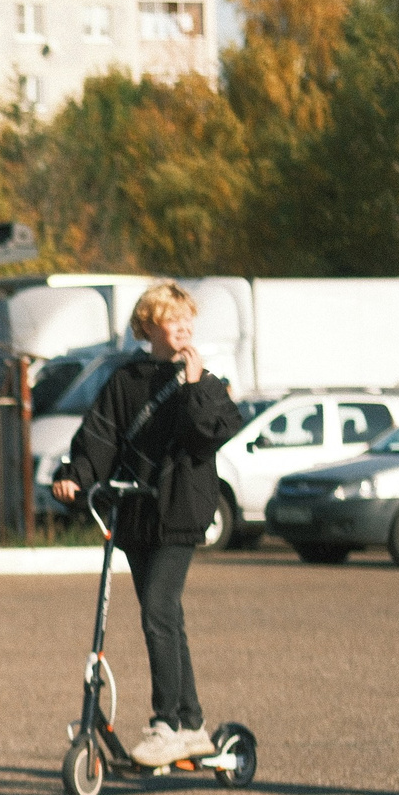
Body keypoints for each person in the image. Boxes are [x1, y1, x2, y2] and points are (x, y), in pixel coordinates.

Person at [51, 282, 245, 767]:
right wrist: (75, 477)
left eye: (187, 319)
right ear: (149, 325)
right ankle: (193, 723)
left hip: (181, 509)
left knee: (158, 608)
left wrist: (196, 383)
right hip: (135, 513)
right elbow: (100, 436)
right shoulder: (126, 380)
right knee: (167, 618)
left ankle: (167, 724)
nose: (183, 326)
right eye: (172, 318)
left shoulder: (206, 382)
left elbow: (208, 437)